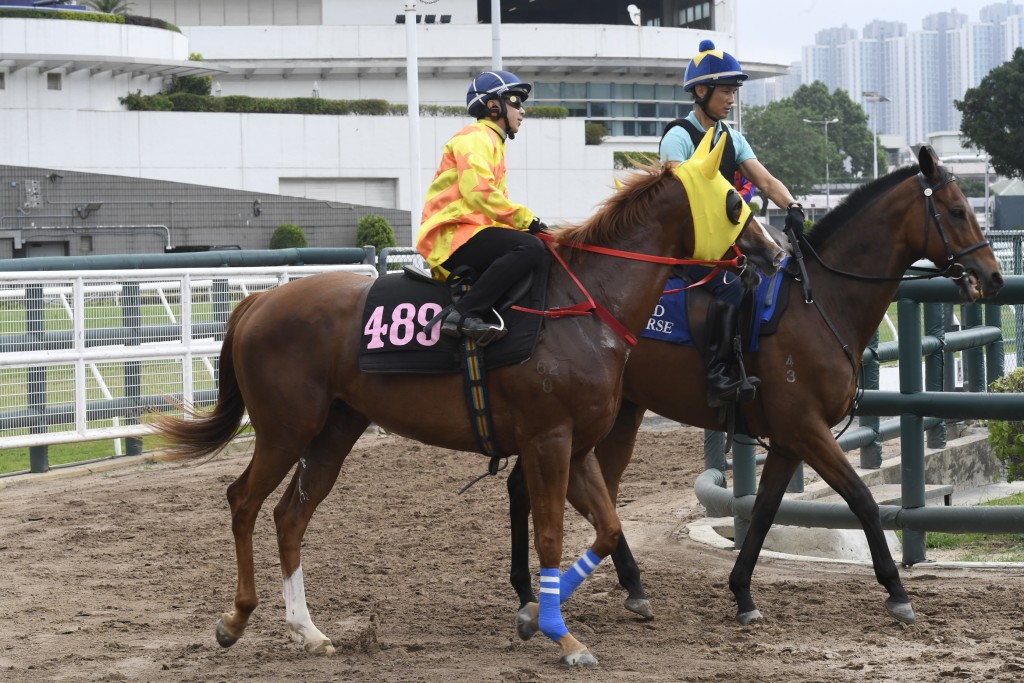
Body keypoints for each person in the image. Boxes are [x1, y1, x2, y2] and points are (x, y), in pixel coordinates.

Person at [661, 39, 805, 407]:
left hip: (725, 243)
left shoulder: (731, 137)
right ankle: (718, 375)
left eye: (733, 92)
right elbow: (675, 199)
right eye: (726, 91)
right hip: (687, 247)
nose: (731, 99)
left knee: (778, 277)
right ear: (701, 91)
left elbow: (767, 182)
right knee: (733, 289)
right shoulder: (679, 137)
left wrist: (792, 206)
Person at [416, 70, 548, 345]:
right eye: (516, 102)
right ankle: (464, 314)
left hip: (469, 233)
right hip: (451, 235)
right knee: (529, 247)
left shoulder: (493, 143)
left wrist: (532, 228)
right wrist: (528, 220)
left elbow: (494, 208)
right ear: (493, 105)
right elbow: (479, 193)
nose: (522, 111)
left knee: (535, 244)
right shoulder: (476, 137)